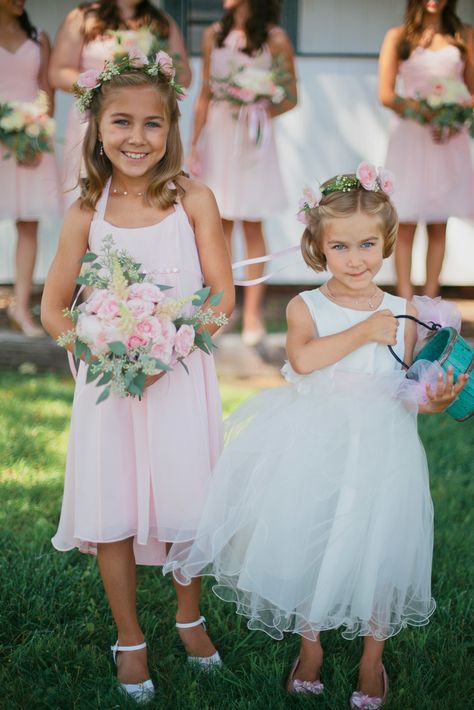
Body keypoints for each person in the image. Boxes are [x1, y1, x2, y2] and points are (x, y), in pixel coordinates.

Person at [164, 164, 467, 708]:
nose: (356, 259)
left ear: (388, 243)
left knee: (378, 545)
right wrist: (360, 332)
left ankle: (372, 660)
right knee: (316, 539)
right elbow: (303, 361)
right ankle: (311, 648)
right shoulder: (308, 306)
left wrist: (436, 398)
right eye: (342, 247)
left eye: (368, 245)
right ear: (318, 248)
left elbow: (411, 387)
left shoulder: (404, 313)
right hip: (317, 443)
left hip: (384, 449)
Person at [41, 50, 234, 704]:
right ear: (95, 128)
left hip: (178, 379)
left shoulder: (194, 200)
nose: (137, 138)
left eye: (154, 124)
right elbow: (51, 306)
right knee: (114, 507)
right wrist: (96, 346)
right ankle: (129, 638)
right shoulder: (85, 211)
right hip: (112, 390)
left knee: (187, 503)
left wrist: (171, 344)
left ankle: (190, 617)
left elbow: (223, 296)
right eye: (121, 122)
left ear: (172, 128)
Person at [189, 0, 297, 346]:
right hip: (219, 136)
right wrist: (193, 143)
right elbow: (205, 92)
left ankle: (253, 313)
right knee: (219, 224)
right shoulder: (213, 35)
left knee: (252, 222)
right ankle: (223, 307)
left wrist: (259, 110)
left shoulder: (275, 38)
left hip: (253, 142)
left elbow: (291, 95)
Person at [49, 0, 192, 207]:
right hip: (95, 119)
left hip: (144, 121)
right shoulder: (82, 17)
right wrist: (105, 84)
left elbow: (183, 75)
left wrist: (149, 81)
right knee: (91, 196)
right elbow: (57, 72)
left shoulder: (162, 21)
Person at [379, 0, 474, 299]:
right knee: (405, 222)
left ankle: (431, 301)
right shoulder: (398, 37)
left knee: (438, 223)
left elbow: (471, 91)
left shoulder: (464, 35)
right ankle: (406, 301)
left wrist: (450, 113)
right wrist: (423, 110)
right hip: (411, 138)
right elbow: (386, 94)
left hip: (446, 138)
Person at [0, 0, 61, 336]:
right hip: (0, 140)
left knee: (28, 225)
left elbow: (46, 90)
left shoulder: (39, 38)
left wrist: (37, 135)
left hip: (33, 142)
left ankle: (21, 310)